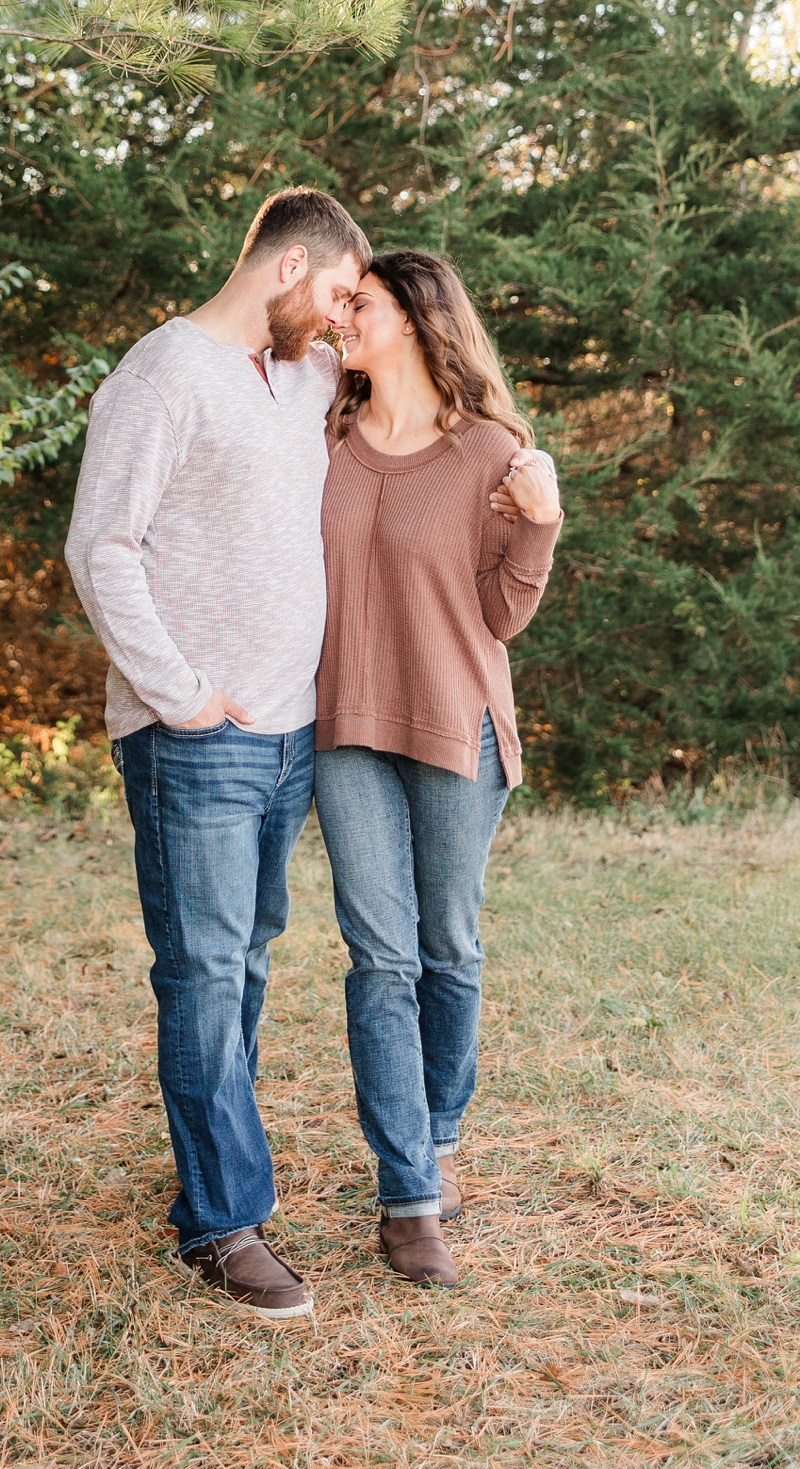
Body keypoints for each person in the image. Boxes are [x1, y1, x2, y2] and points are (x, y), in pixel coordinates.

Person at [65, 186, 370, 1320]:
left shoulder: (306, 378)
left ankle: (211, 1176)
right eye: (340, 292)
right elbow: (103, 548)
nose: (345, 319)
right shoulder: (164, 373)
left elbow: (416, 386)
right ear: (291, 267)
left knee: (243, 964)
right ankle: (223, 1222)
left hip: (293, 733)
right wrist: (182, 697)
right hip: (196, 739)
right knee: (201, 972)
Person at [313, 249, 562, 1288]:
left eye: (356, 306)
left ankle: (442, 1135)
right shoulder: (318, 437)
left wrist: (540, 522)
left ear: (415, 320)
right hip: (342, 729)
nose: (338, 323)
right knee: (382, 961)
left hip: (457, 729)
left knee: (447, 949)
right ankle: (409, 1198)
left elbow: (501, 614)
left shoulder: (489, 453)